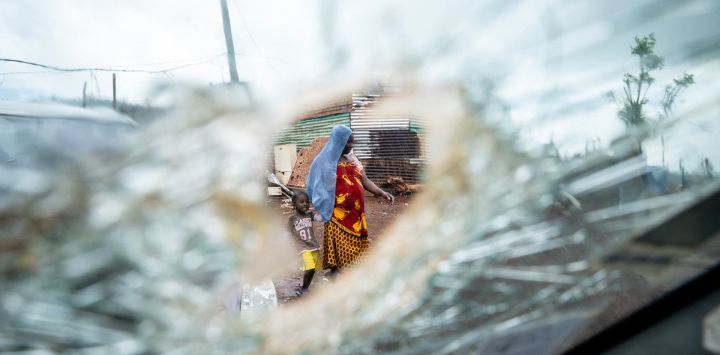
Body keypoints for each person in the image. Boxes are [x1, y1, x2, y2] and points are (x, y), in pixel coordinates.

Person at [306, 125, 394, 275]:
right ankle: (337, 271)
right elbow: (313, 182)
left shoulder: (353, 159)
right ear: (338, 141)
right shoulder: (324, 161)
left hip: (356, 213)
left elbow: (365, 180)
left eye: (352, 142)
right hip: (337, 214)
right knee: (341, 242)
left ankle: (350, 269)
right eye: (348, 142)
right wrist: (319, 201)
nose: (351, 145)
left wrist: (381, 192)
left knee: (356, 242)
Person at [287, 190, 323, 296]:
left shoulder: (310, 215)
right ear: (294, 204)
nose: (305, 204)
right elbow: (288, 233)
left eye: (307, 202)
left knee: (314, 269)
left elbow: (321, 218)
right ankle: (304, 288)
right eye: (301, 202)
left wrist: (325, 208)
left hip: (313, 246)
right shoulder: (292, 218)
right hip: (302, 248)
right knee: (310, 268)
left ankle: (307, 285)